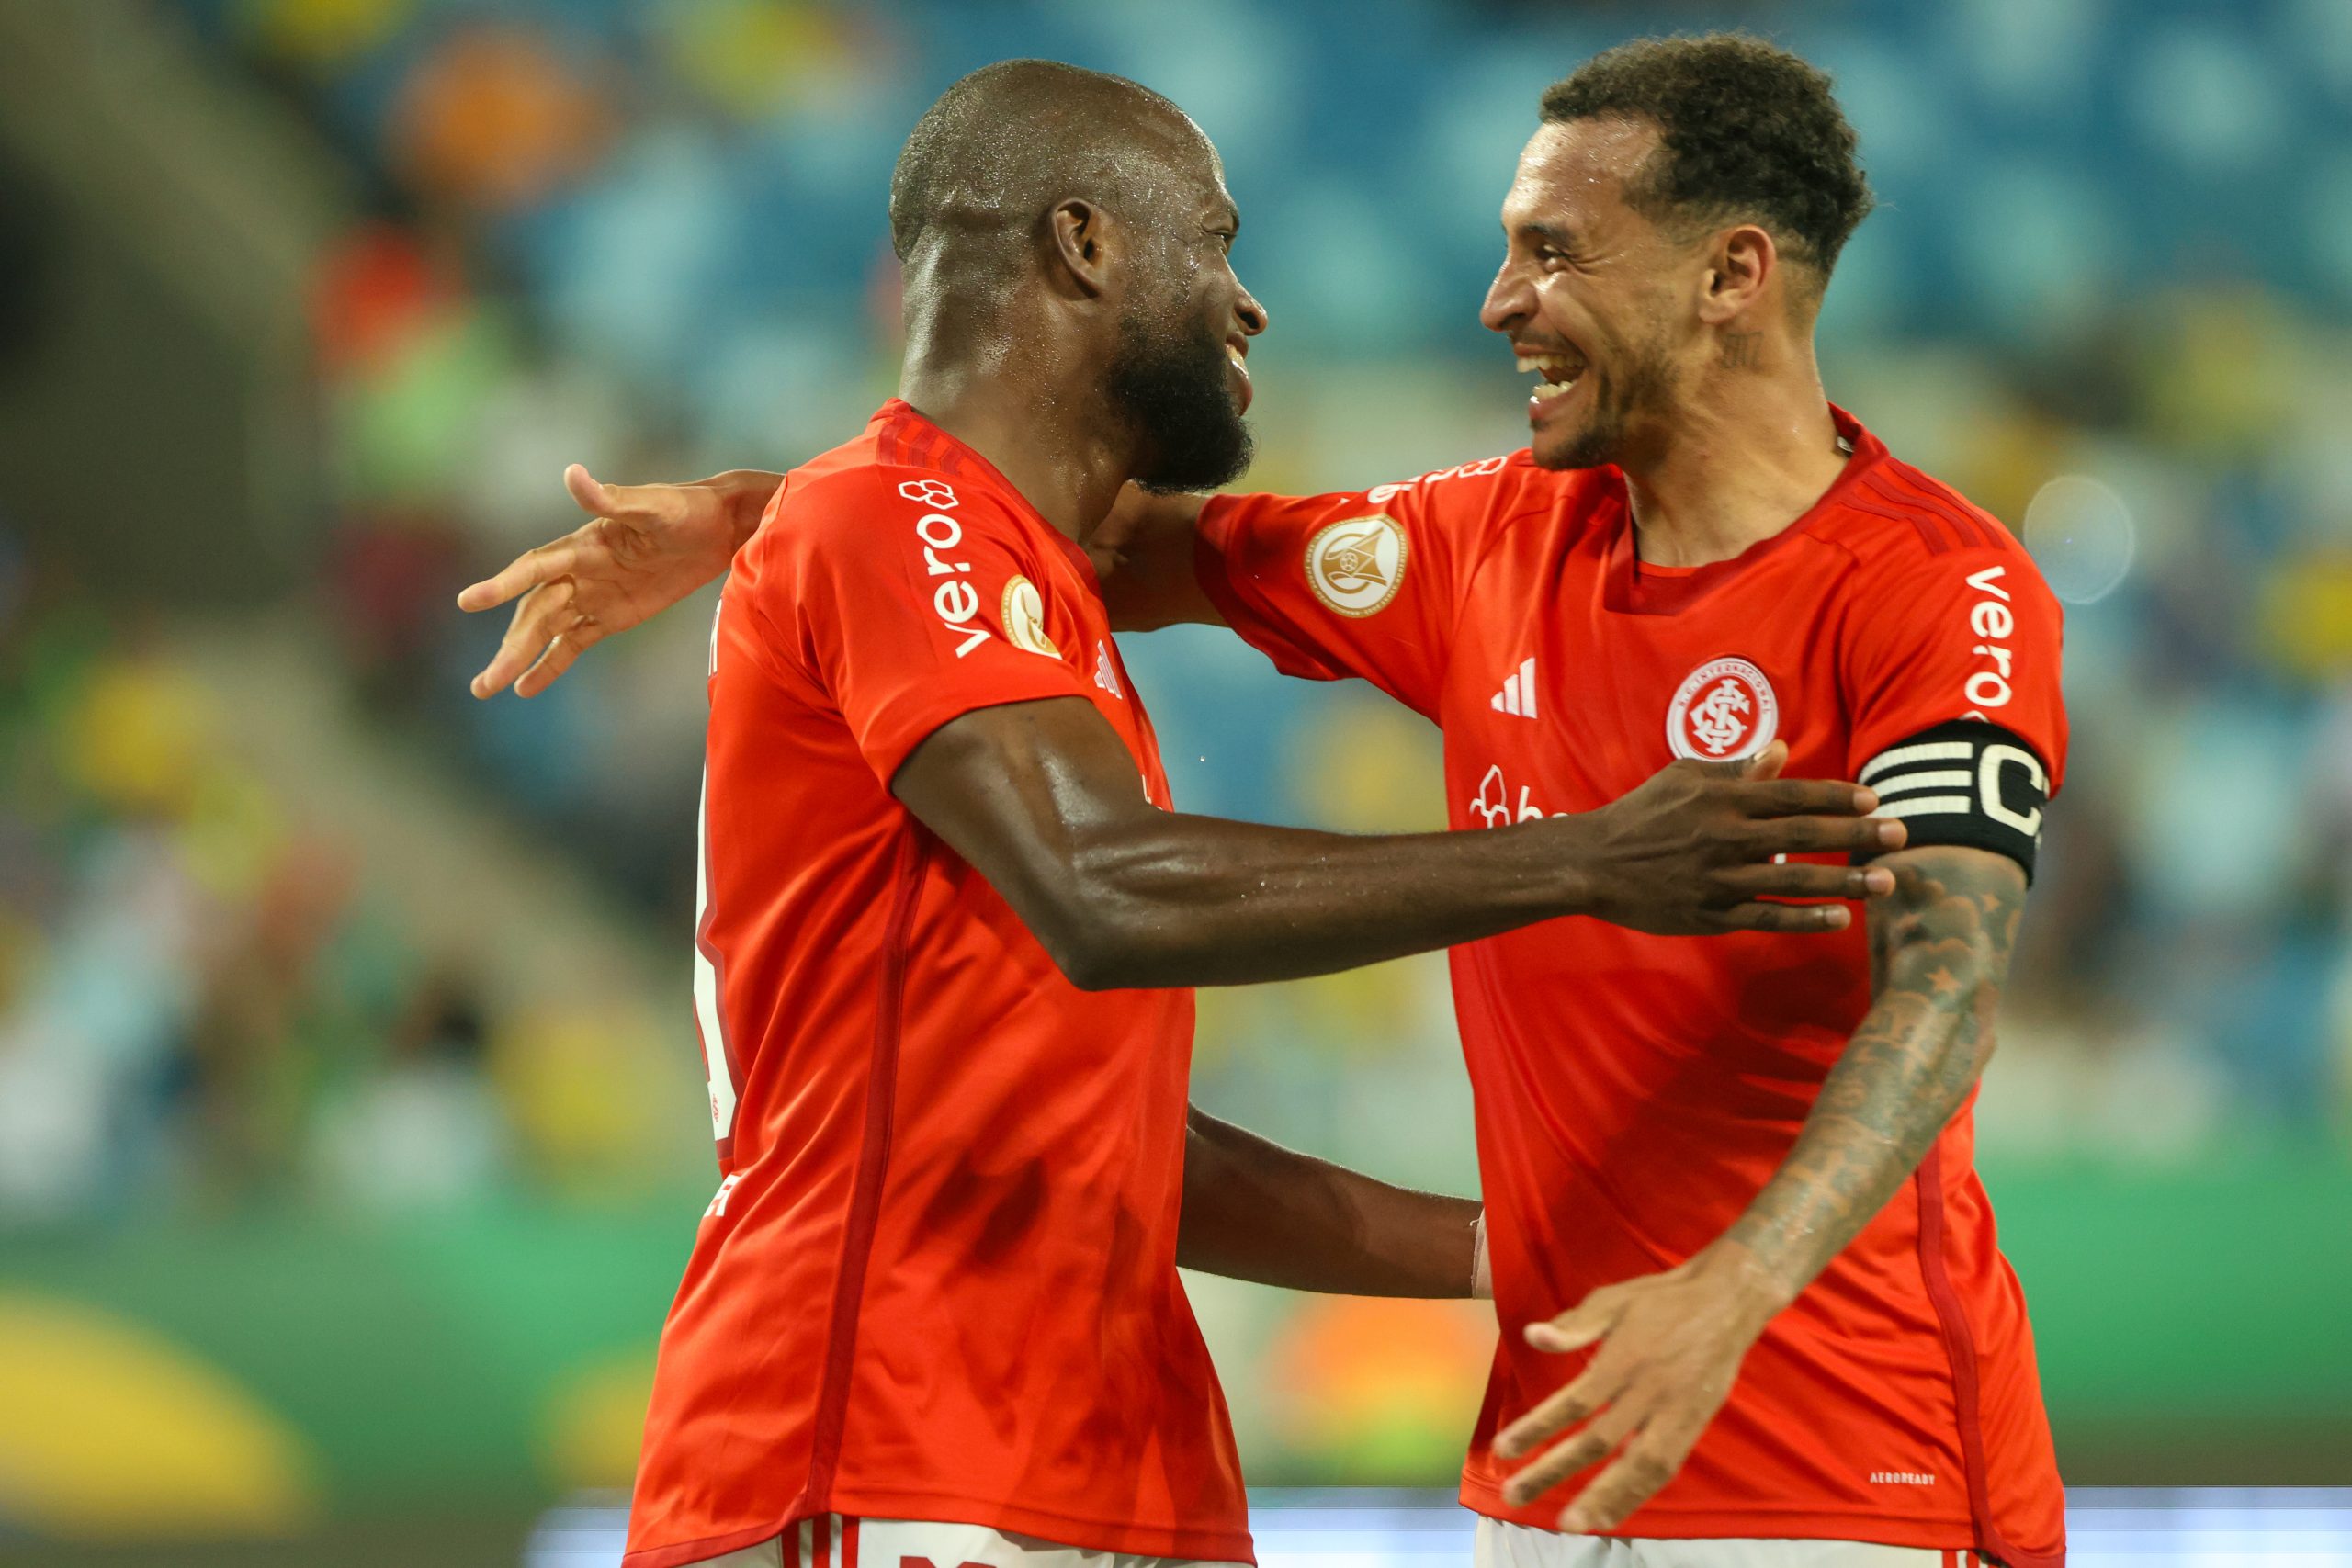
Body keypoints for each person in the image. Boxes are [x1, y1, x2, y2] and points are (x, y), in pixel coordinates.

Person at [466, 56, 1903, 1568]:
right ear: (1084, 245)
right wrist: (1589, 861)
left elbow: (1134, 1156)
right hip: (880, 1438)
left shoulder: (1006, 593)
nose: (1247, 300)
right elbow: (1106, 891)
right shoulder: (890, 525)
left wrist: (1523, 1252)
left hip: (1102, 1464)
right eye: (1212, 241)